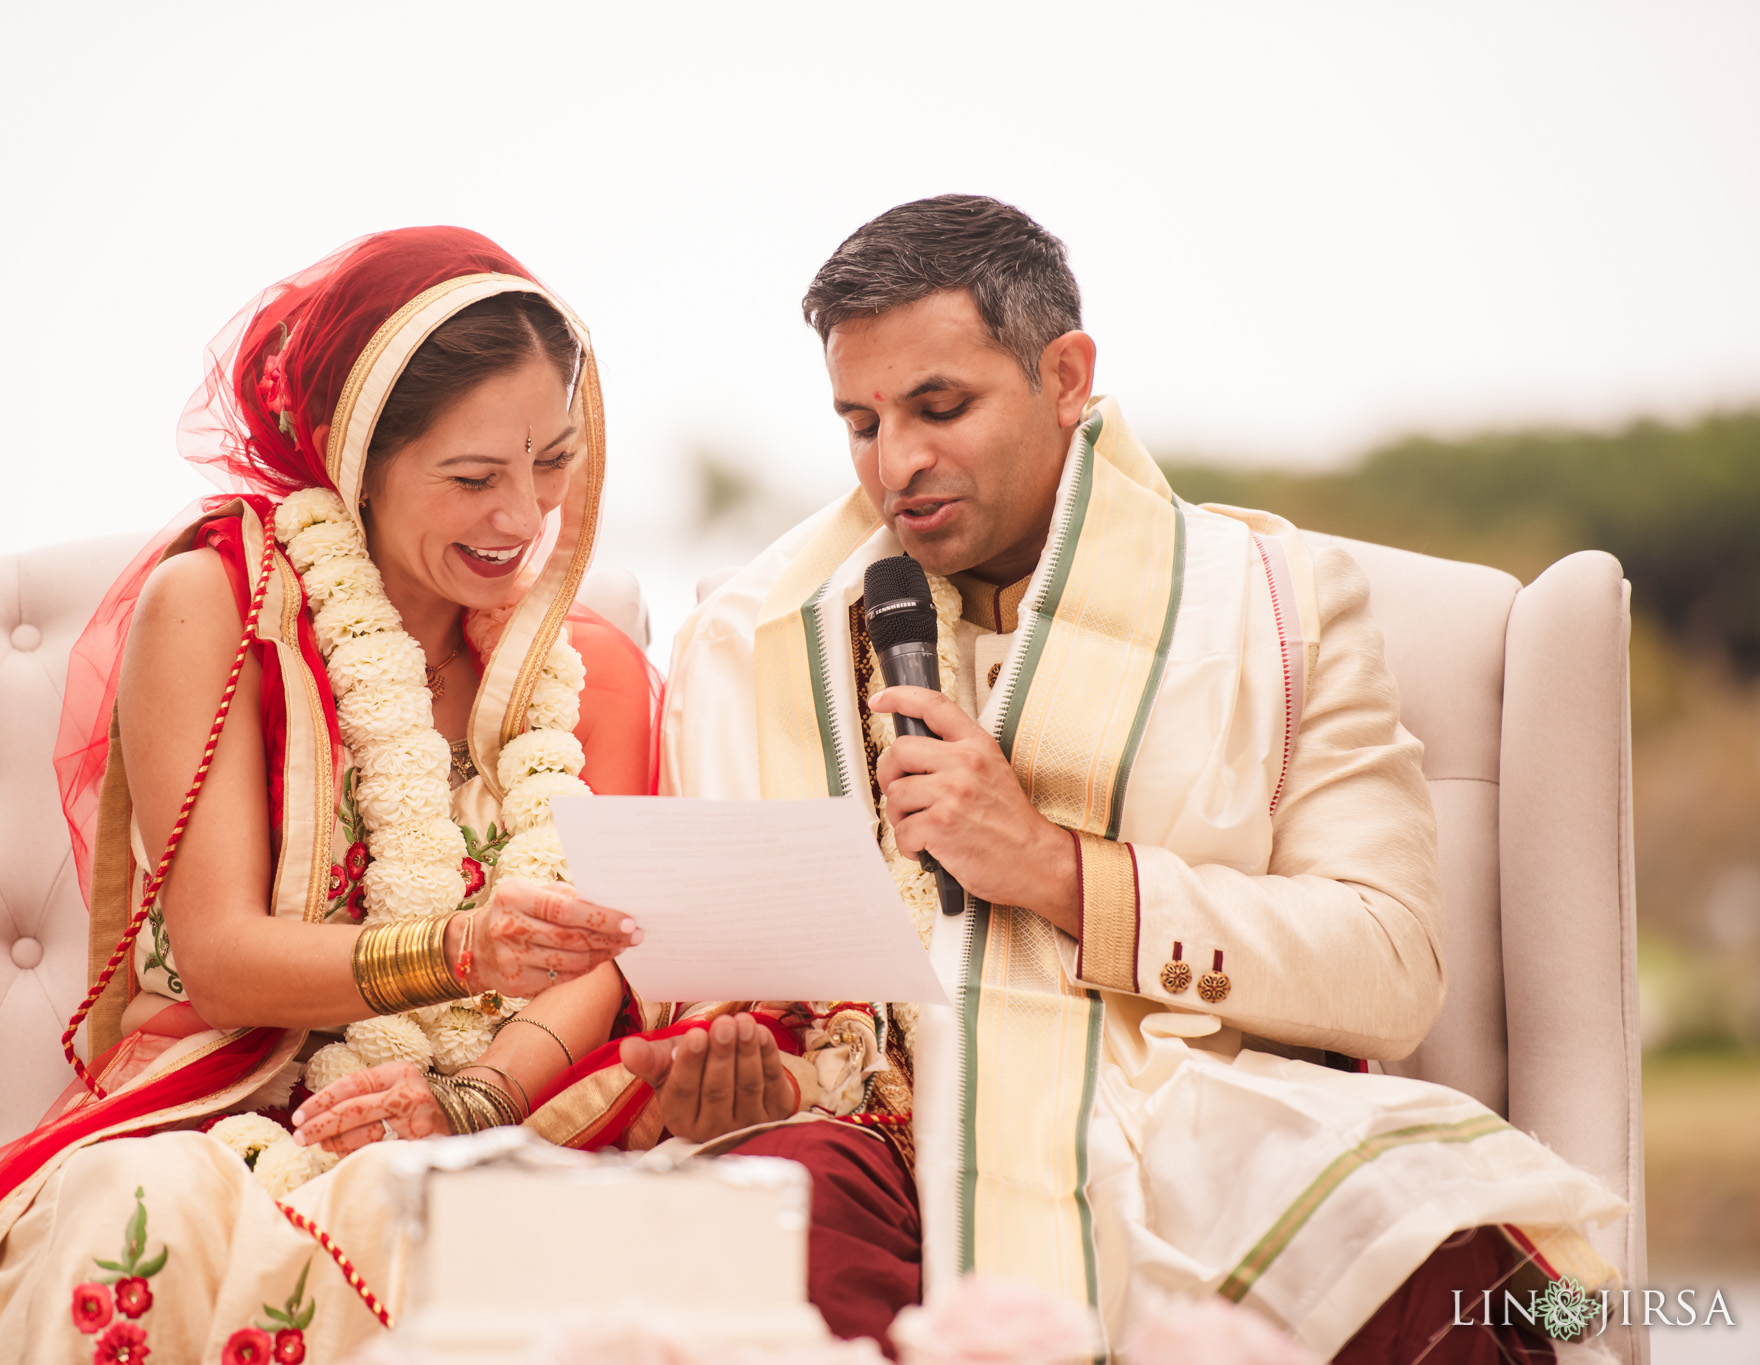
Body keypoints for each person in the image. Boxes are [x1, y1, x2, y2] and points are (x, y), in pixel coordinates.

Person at [603, 196, 1624, 1361]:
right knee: (761, 1209)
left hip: (1189, 1133)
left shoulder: (1279, 608)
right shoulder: (756, 641)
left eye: (940, 407)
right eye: (860, 421)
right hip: (884, 1141)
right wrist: (731, 1084)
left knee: (1433, 1262)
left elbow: (1388, 965)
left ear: (1065, 375)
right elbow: (738, 998)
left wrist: (1052, 869)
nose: (897, 463)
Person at [0, 227, 667, 1364]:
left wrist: (475, 1096)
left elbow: (604, 947)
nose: (520, 518)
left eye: (552, 462)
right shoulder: (218, 608)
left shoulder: (592, 665)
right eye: (471, 478)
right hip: (233, 1102)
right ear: (354, 459)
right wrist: (462, 951)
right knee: (146, 1211)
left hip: (508, 1107)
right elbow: (221, 953)